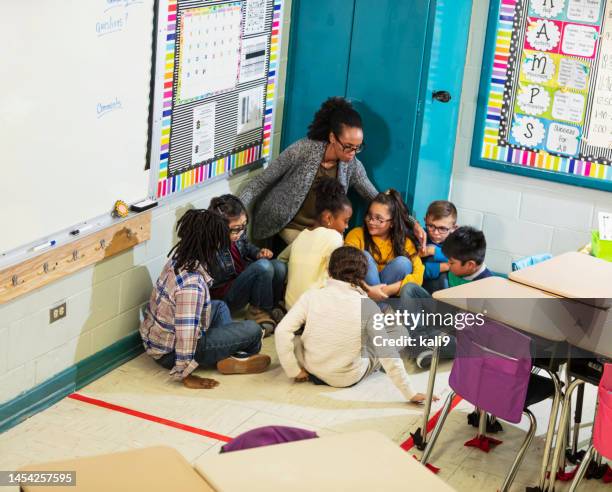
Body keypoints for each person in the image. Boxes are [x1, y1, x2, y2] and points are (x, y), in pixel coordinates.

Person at [238, 97, 425, 246]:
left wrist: (412, 222)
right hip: (289, 225)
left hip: (323, 230)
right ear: (332, 138)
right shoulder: (302, 150)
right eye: (348, 147)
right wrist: (236, 212)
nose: (353, 153)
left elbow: (376, 198)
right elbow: (260, 182)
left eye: (358, 148)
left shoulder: (352, 165)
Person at [275, 246, 432, 403]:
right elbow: (388, 353)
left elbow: (281, 331)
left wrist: (293, 370)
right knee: (401, 333)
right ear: (362, 276)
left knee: (296, 340)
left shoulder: (311, 296)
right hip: (347, 378)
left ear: (328, 271)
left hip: (313, 370)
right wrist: (410, 393)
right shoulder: (367, 305)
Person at [139, 209, 271, 388]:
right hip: (171, 353)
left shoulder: (180, 257)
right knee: (253, 331)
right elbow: (186, 335)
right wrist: (186, 375)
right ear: (213, 244)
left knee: (220, 307)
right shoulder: (191, 285)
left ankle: (229, 358)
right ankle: (234, 356)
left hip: (162, 339)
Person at [208, 194, 286, 335]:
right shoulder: (210, 245)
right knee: (263, 267)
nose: (240, 232)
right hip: (227, 294)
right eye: (236, 229)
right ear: (219, 226)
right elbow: (217, 280)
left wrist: (258, 253)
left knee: (279, 267)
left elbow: (247, 246)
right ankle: (258, 313)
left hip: (243, 277)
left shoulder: (238, 234)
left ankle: (272, 307)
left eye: (243, 226)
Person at [278, 177, 352, 309]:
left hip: (291, 308)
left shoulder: (302, 236)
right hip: (315, 310)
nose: (346, 226)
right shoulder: (334, 237)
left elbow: (281, 258)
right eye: (345, 221)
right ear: (328, 218)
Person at [344, 189, 426, 303]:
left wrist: (386, 290)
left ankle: (378, 309)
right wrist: (368, 290)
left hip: (387, 295)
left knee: (403, 263)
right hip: (361, 292)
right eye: (369, 216)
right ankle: (383, 310)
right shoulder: (356, 235)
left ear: (392, 222)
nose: (372, 222)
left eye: (379, 219)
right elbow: (344, 268)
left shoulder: (404, 241)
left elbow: (418, 276)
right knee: (364, 257)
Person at [420, 200, 457, 294]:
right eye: (431, 226)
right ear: (425, 220)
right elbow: (416, 271)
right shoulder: (420, 237)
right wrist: (443, 266)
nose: (436, 233)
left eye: (442, 228)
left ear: (453, 228)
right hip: (420, 286)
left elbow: (460, 259)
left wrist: (433, 250)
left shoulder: (456, 243)